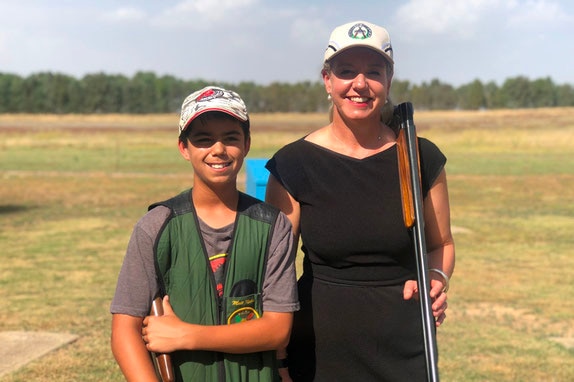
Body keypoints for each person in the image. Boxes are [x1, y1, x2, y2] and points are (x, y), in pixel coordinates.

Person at [265, 21, 455, 381]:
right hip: (318, 350)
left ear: (389, 79)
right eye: (347, 71)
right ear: (327, 80)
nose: (360, 84)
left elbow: (441, 243)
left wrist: (436, 276)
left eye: (374, 72)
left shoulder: (419, 156)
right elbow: (276, 275)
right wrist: (280, 359)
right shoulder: (293, 164)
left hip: (406, 346)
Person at [110, 86, 299, 382]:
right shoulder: (156, 226)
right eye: (204, 139)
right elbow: (124, 330)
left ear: (247, 144)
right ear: (184, 148)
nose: (219, 149)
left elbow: (278, 329)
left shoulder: (273, 226)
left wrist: (185, 335)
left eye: (231, 138)